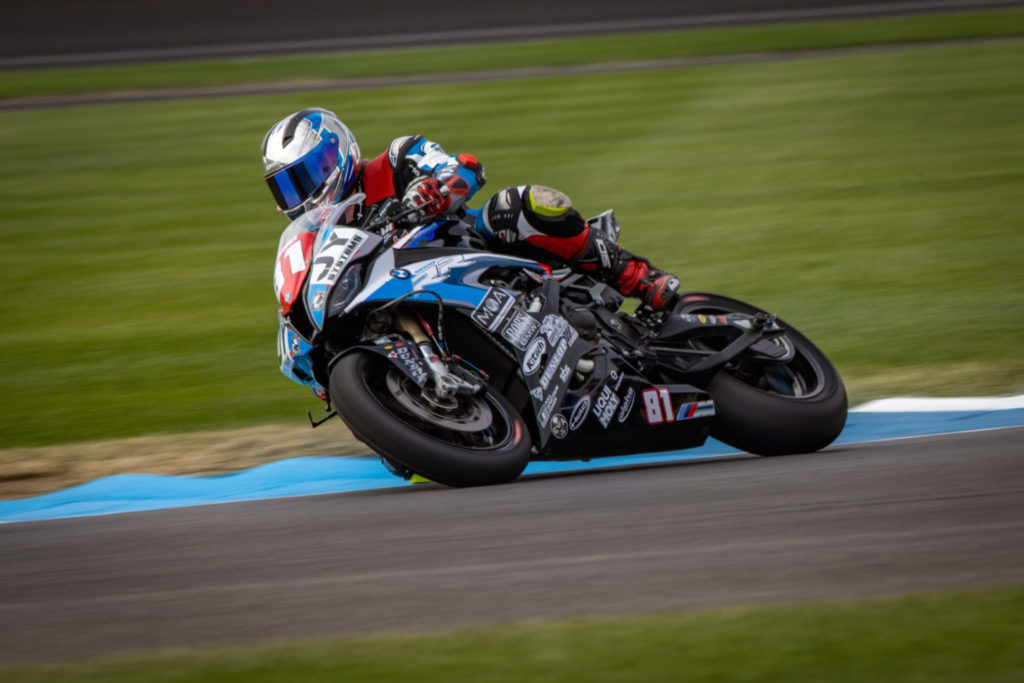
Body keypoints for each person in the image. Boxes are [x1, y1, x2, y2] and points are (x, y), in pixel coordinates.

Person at [262, 107, 680, 309]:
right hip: (410, 296)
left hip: (468, 249)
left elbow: (465, 168)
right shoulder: (321, 238)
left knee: (515, 206)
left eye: (307, 174)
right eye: (287, 187)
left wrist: (436, 191)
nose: (303, 193)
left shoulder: (395, 158)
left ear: (336, 151)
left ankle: (637, 276)